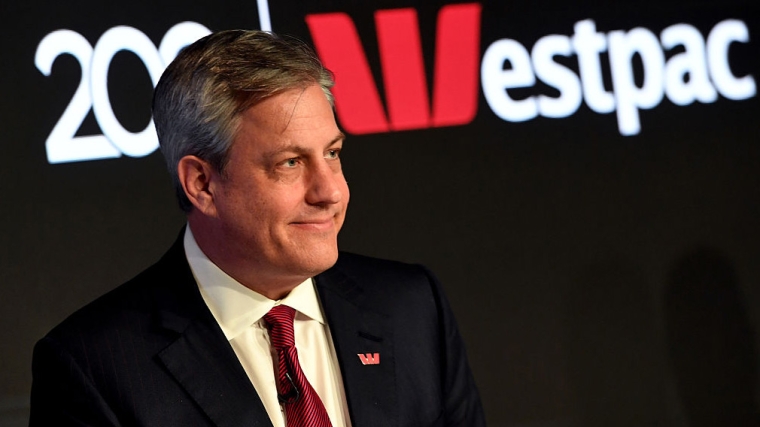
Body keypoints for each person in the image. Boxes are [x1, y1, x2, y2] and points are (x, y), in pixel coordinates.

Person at [30, 29, 485, 427]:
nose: (331, 192)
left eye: (332, 153)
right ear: (202, 184)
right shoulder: (93, 367)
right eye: (290, 163)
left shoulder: (412, 307)